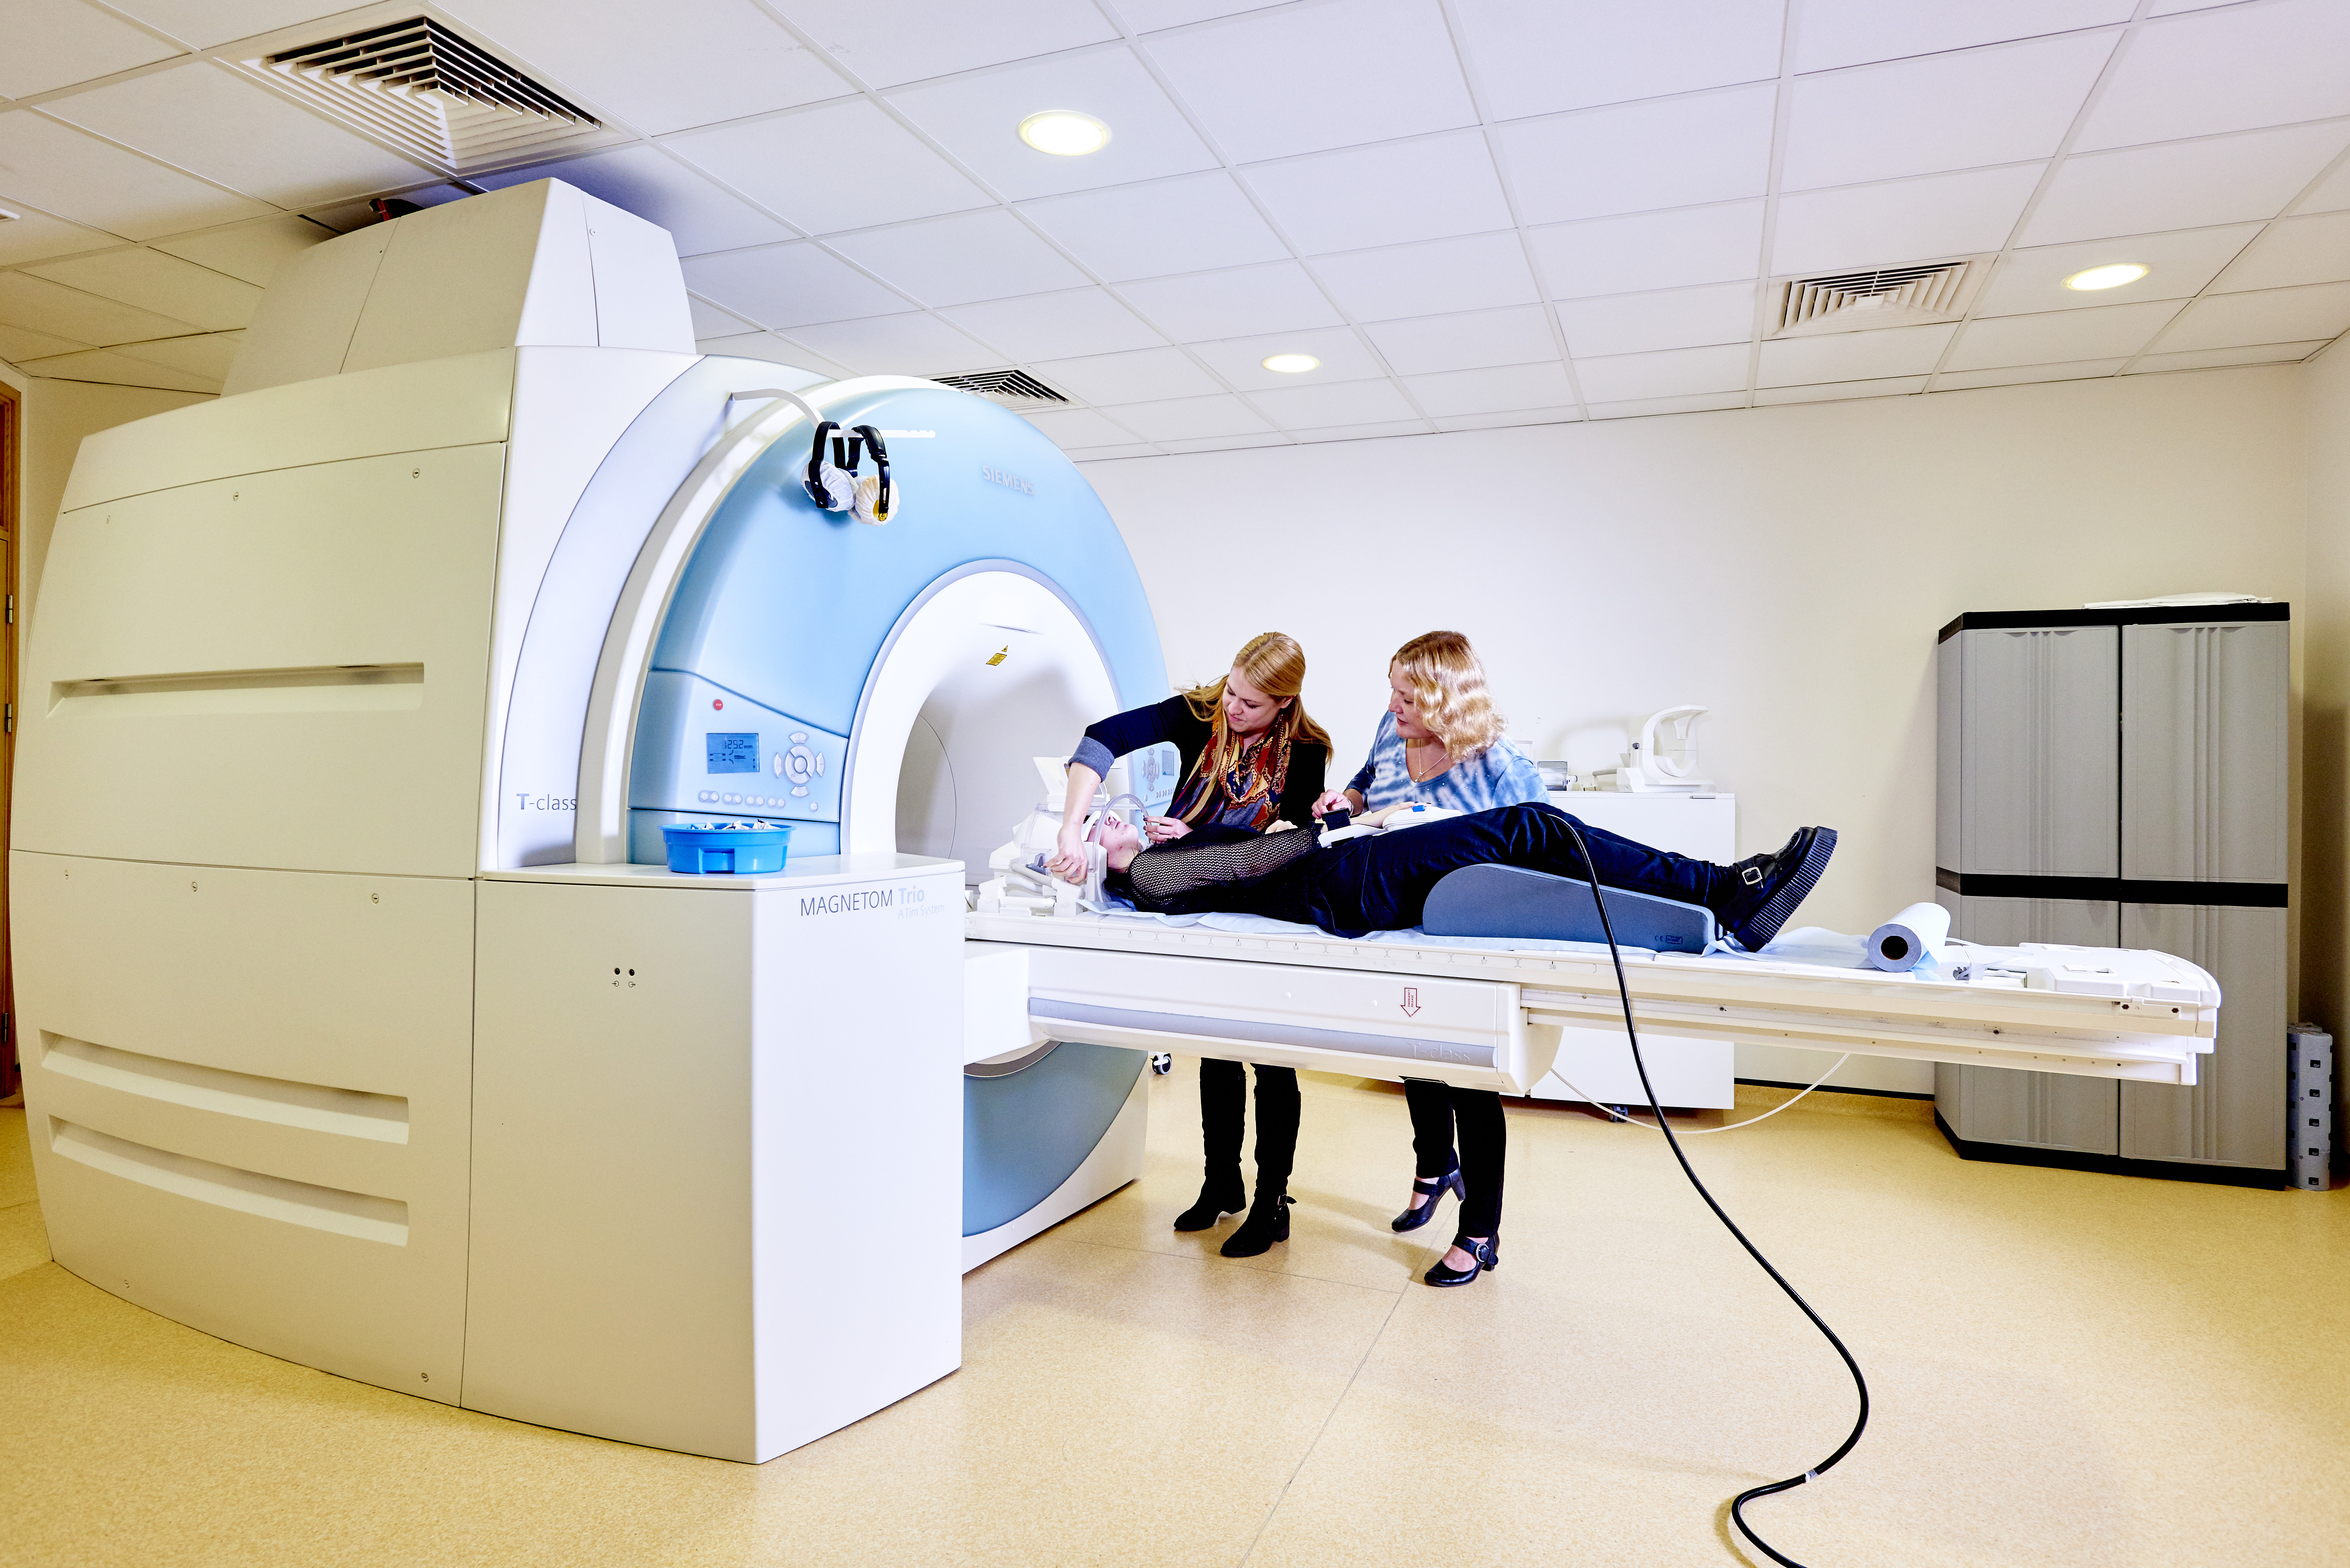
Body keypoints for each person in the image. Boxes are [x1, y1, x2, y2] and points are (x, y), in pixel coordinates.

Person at [1091, 800, 1838, 1286]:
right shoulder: (1150, 874)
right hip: (1352, 878)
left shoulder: (1170, 857)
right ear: (1102, 861)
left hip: (1349, 872)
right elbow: (1244, 864)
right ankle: (1728, 891)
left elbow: (1232, 864)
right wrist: (1334, 831)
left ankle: (1724, 892)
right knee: (1534, 828)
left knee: (1535, 836)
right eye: (1099, 827)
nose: (1114, 818)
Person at [1049, 632, 1331, 1258]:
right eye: (1232, 691)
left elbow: (1283, 844)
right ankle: (1220, 1183)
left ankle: (1271, 1201)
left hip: (1259, 906)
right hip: (1190, 900)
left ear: (1285, 705)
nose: (1233, 708)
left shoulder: (1308, 751)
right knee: (1216, 1041)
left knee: (1271, 1053)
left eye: (1251, 704)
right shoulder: (1199, 712)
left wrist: (1200, 834)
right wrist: (1073, 826)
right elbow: (1103, 736)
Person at [1309, 631, 1551, 1274]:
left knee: (1467, 1073)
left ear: (1446, 700)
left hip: (1465, 932)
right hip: (1396, 922)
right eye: (1391, 690)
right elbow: (1366, 781)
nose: (1393, 705)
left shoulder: (1498, 762)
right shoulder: (1394, 734)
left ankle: (1479, 1233)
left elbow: (1548, 839)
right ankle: (1434, 1170)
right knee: (1409, 1048)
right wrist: (1349, 802)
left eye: (1408, 695)